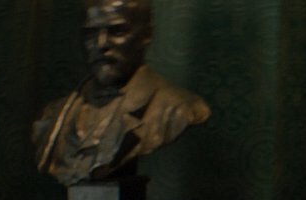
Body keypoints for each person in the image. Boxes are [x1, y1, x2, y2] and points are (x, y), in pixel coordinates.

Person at [34, 0, 211, 186]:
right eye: (90, 33)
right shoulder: (53, 115)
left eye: (117, 31)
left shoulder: (178, 108)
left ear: (147, 34)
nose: (101, 44)